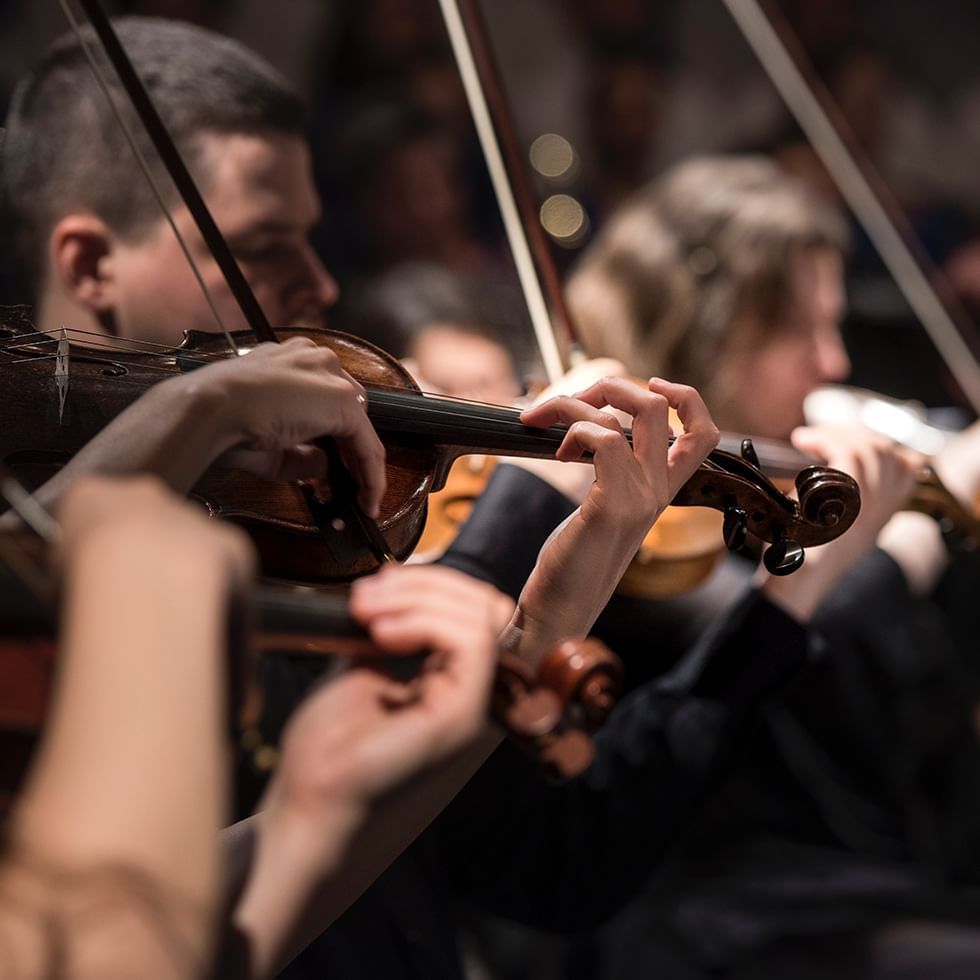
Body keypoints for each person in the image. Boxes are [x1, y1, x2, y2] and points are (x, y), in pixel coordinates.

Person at [555, 155, 980, 979]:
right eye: (801, 330)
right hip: (705, 916)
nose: (833, 365)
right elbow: (753, 650)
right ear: (700, 327)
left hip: (851, 886)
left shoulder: (766, 486)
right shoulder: (619, 503)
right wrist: (905, 545)